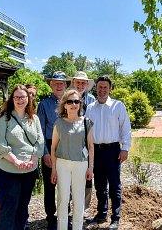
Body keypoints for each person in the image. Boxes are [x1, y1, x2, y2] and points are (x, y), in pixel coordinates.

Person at [0, 85, 45, 230]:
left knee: (23, 207)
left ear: (28, 99)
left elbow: (40, 141)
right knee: (8, 208)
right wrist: (15, 161)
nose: (20, 100)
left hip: (28, 170)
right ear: (12, 99)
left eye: (23, 97)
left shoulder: (34, 118)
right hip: (7, 170)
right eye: (16, 97)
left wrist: (34, 159)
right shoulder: (4, 118)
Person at [85, 76, 132, 230]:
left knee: (114, 185)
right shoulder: (90, 108)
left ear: (110, 89)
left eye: (105, 87)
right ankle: (101, 213)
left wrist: (125, 148)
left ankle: (115, 217)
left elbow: (125, 127)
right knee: (99, 185)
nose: (102, 90)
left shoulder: (118, 106)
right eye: (100, 87)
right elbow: (86, 130)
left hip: (113, 151)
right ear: (96, 88)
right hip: (96, 151)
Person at [50, 89, 94, 230]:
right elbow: (53, 147)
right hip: (62, 164)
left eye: (76, 101)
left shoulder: (86, 122)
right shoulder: (59, 123)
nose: (73, 104)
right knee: (62, 199)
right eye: (70, 101)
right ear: (64, 104)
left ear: (80, 104)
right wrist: (54, 170)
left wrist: (90, 167)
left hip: (81, 164)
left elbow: (91, 147)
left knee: (78, 199)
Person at [37, 71, 69, 230]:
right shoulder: (43, 105)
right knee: (50, 186)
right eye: (55, 83)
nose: (58, 86)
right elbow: (40, 132)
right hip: (50, 146)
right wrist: (45, 152)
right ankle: (51, 218)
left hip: (67, 148)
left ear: (66, 86)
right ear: (51, 85)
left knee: (66, 185)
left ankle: (65, 217)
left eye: (61, 83)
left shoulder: (72, 103)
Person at [69, 71, 95, 217]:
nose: (80, 85)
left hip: (87, 141)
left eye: (83, 82)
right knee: (71, 174)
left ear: (86, 85)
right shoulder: (68, 98)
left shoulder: (91, 100)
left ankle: (84, 208)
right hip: (72, 141)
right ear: (74, 82)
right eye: (78, 82)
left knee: (87, 175)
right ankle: (72, 206)